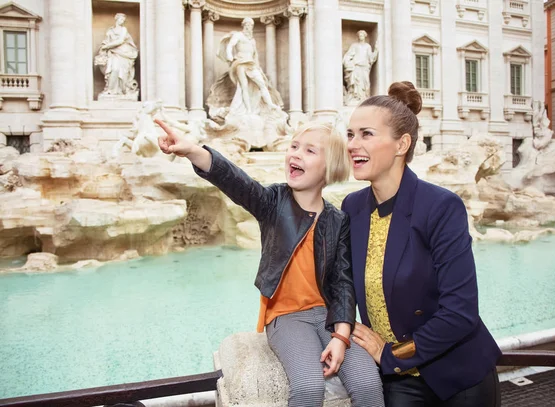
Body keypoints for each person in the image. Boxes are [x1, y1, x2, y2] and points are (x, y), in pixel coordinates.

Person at [154, 118, 384, 407]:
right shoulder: (273, 202)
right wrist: (193, 151)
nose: (296, 154)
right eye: (294, 146)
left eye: (310, 151)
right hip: (286, 317)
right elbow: (235, 181)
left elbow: (343, 281)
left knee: (368, 383)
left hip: (328, 315)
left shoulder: (337, 220)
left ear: (331, 167)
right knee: (308, 387)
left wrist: (341, 334)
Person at [342, 81, 502, 406]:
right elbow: (341, 282)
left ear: (401, 144)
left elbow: (460, 312)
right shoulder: (351, 208)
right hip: (399, 381)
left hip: (460, 376)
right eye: (350, 134)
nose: (353, 144)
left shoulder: (441, 207)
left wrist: (389, 354)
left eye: (366, 134)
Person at [218, 17, 280, 113]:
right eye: (247, 25)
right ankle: (248, 110)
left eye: (250, 25)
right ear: (243, 25)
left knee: (262, 83)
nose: (249, 27)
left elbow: (255, 55)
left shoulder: (252, 40)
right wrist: (229, 55)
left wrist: (258, 67)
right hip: (240, 62)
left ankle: (270, 104)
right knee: (244, 86)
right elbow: (230, 45)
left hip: (251, 64)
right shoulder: (238, 35)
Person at [94, 13, 139, 97]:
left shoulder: (124, 29)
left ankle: (123, 90)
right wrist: (103, 47)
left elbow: (120, 41)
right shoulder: (110, 31)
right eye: (121, 19)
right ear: (116, 19)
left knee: (122, 72)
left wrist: (106, 46)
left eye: (123, 20)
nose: (122, 21)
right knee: (114, 69)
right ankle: (111, 90)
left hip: (123, 53)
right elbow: (105, 41)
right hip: (113, 53)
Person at [343, 30, 378, 105]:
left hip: (365, 67)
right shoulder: (354, 45)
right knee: (356, 83)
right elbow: (348, 55)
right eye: (359, 35)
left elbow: (371, 58)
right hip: (356, 66)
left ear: (365, 36)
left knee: (365, 83)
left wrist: (376, 50)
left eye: (362, 35)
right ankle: (356, 97)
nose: (360, 36)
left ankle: (364, 98)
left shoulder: (367, 46)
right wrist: (348, 62)